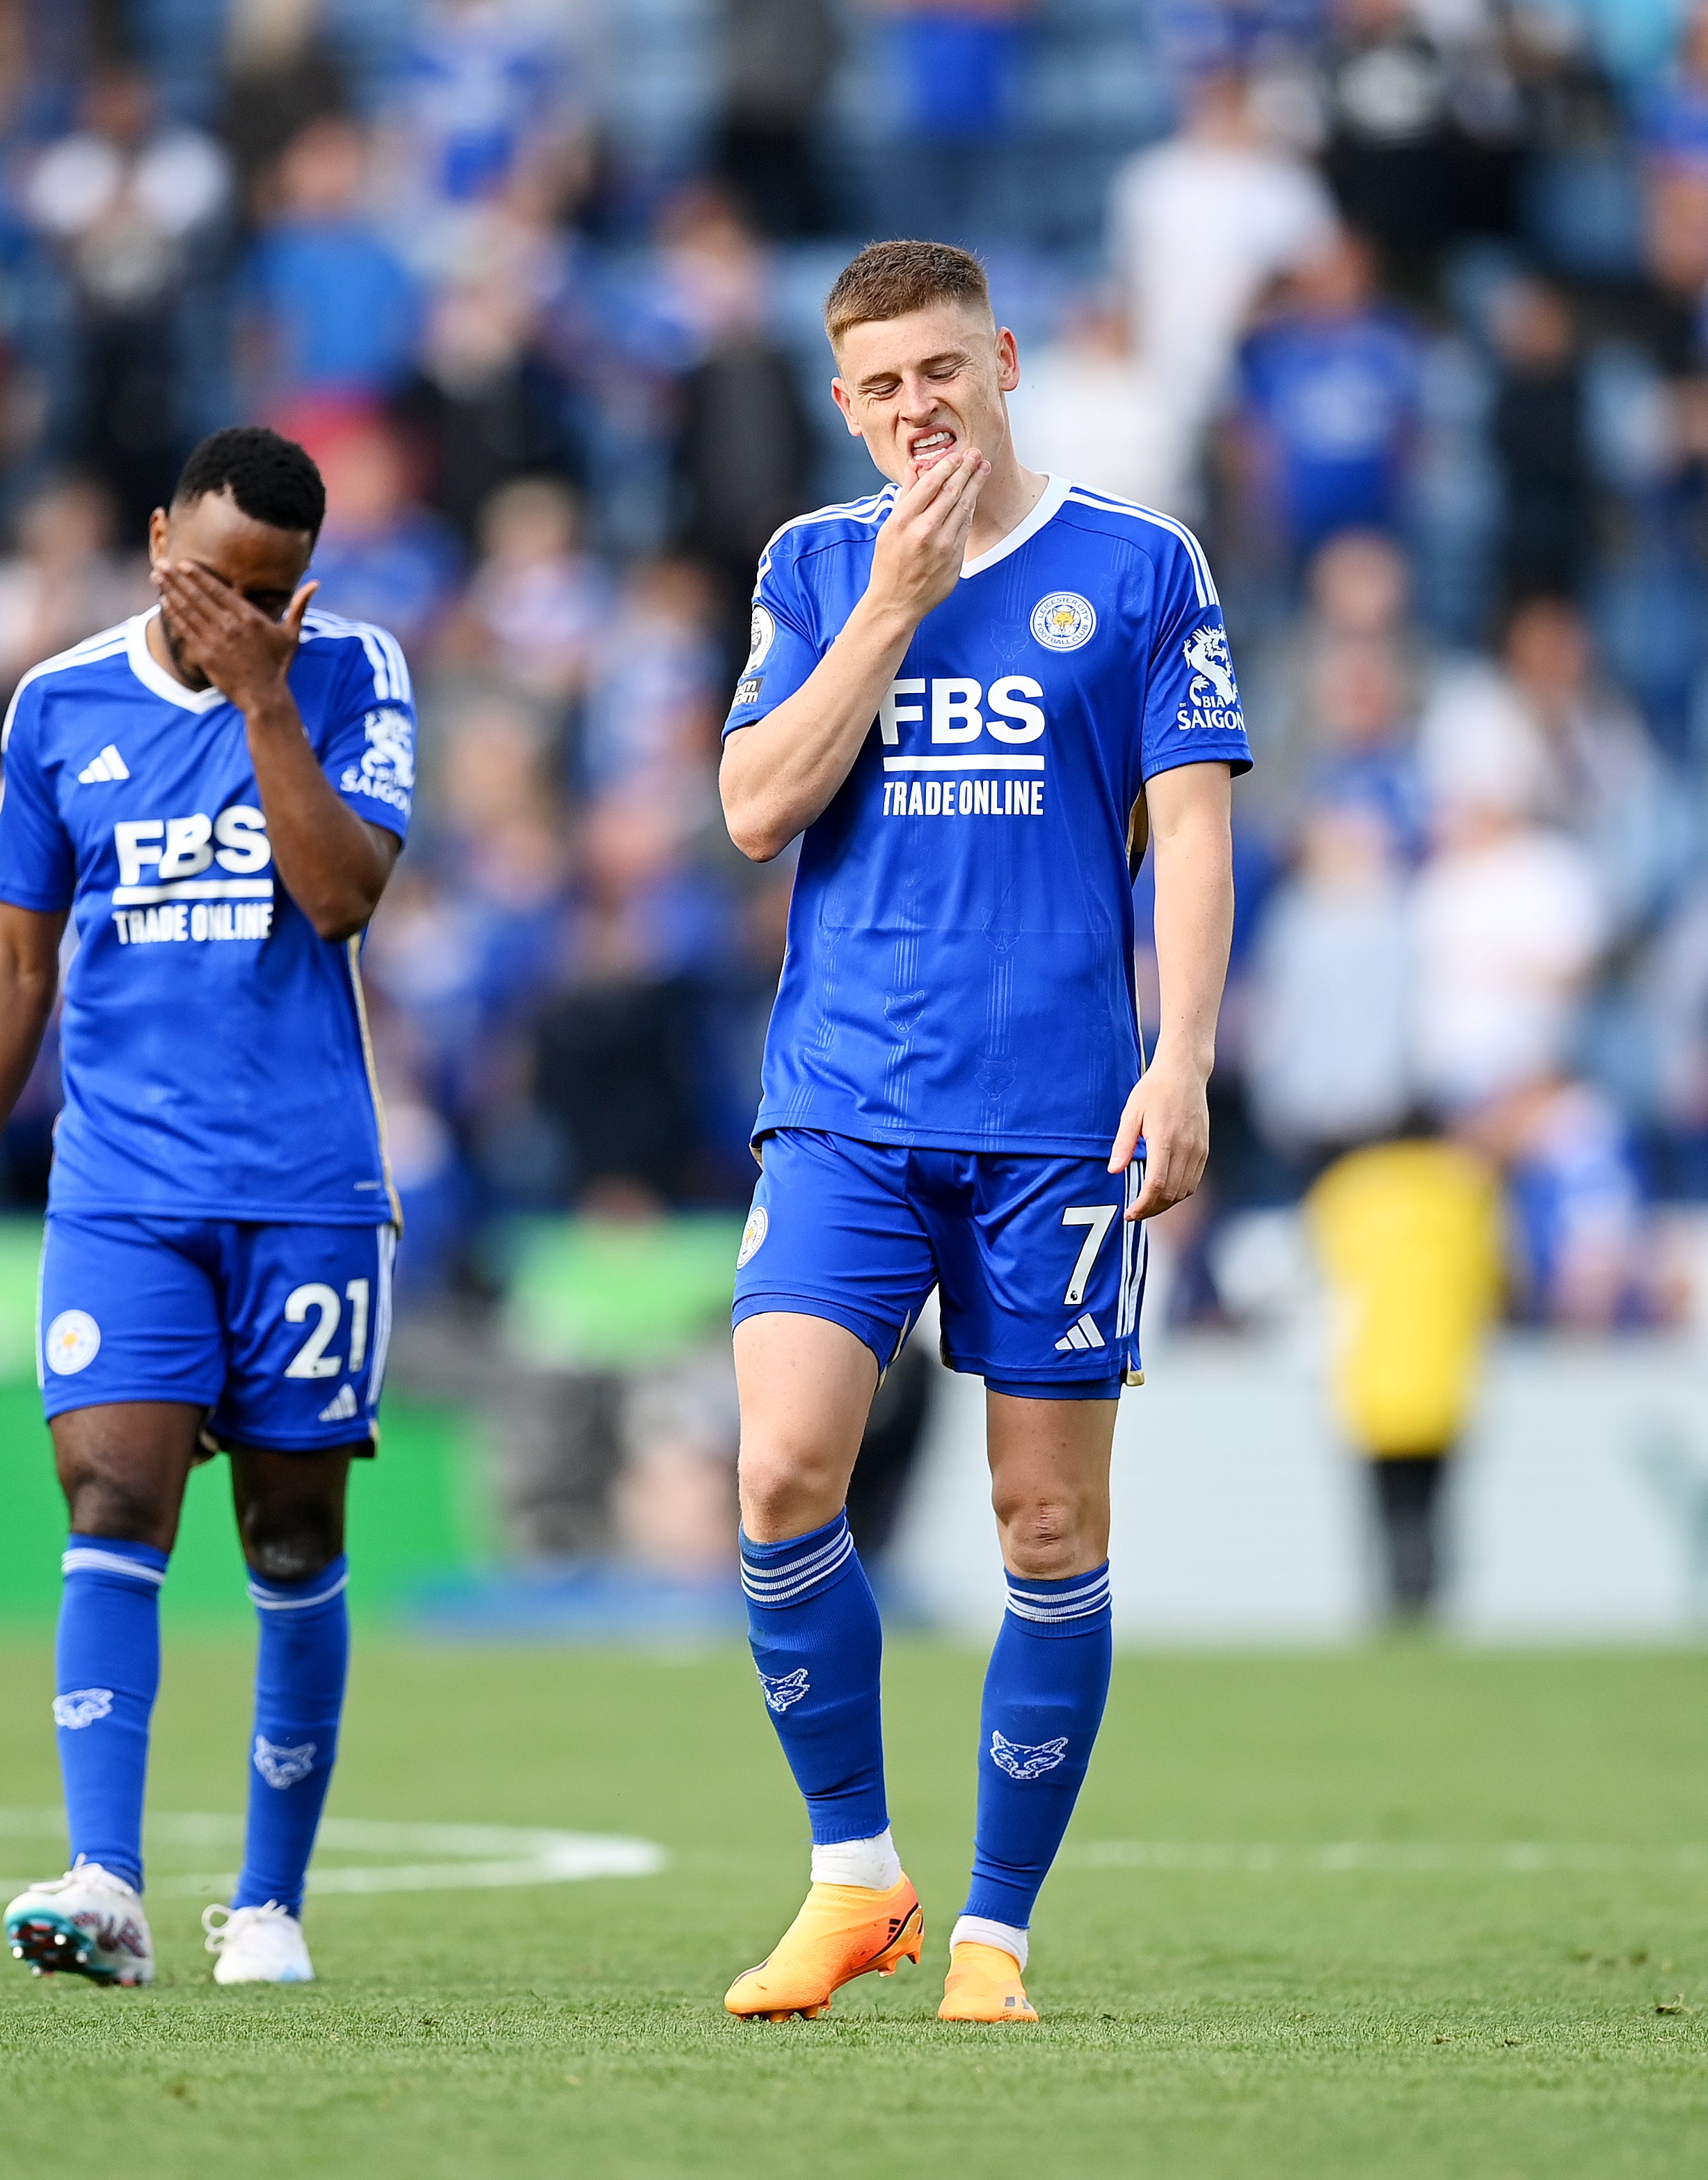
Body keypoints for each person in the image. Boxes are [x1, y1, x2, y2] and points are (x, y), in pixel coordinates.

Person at [715, 240, 1243, 2026]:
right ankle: (853, 1876)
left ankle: (998, 1934)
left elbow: (1193, 830)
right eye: (879, 385)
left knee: (1042, 1521)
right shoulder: (810, 565)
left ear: (1006, 361)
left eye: (943, 370)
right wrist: (889, 604)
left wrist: (1181, 1062)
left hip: (1056, 1126)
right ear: (843, 401)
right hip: (848, 1104)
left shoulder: (1142, 563)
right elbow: (753, 806)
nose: (915, 407)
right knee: (785, 1467)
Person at [0, 427, 416, 1990]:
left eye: (263, 596)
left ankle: (268, 1905)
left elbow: (341, 894)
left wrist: (267, 696)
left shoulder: (353, 677)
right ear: (154, 543)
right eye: (207, 581)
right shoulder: (58, 704)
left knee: (288, 1529)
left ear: (302, 592)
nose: (229, 613)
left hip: (306, 1190)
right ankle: (107, 1879)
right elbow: (15, 956)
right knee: (113, 1499)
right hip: (126, 1191)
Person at [1304, 1130, 1503, 1624]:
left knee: (1387, 1509)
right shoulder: (1468, 1192)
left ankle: (1395, 1604)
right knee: (1433, 1508)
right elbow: (1495, 1280)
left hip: (1373, 1380)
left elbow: (1323, 1269)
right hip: (1444, 1381)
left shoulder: (1349, 1189)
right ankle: (1427, 1603)